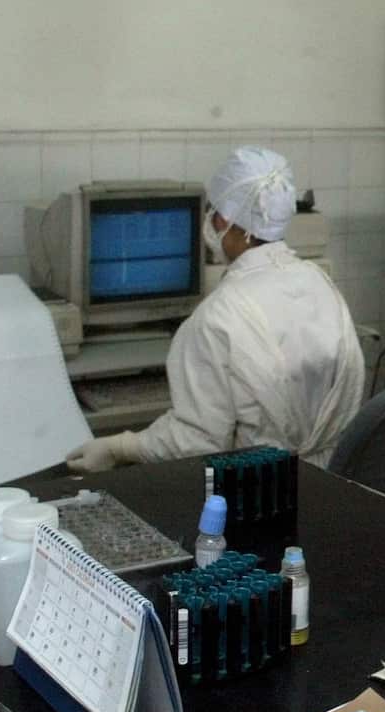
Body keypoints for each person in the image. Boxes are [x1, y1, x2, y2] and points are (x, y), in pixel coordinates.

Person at [66, 146, 365, 471]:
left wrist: (119, 446)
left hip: (257, 493)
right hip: (331, 482)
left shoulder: (217, 318)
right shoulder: (320, 283)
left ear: (221, 219)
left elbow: (197, 442)